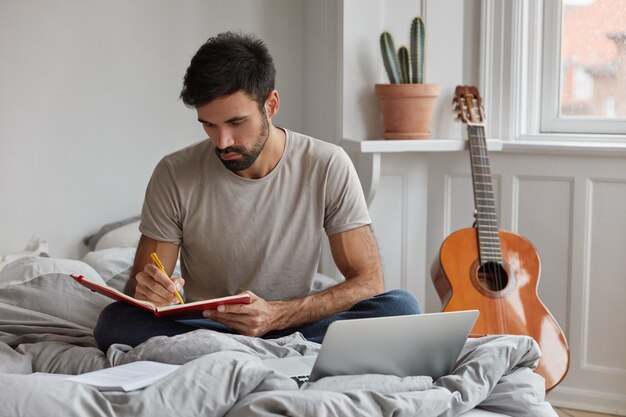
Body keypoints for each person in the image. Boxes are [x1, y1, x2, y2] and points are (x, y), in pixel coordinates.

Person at [94, 32, 420, 352]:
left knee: (402, 307)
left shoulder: (327, 164)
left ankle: (227, 353)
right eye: (209, 125)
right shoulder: (174, 173)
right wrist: (151, 293)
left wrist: (277, 314)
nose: (222, 141)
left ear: (271, 104)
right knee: (115, 322)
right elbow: (141, 289)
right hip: (207, 325)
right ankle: (246, 351)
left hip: (294, 322)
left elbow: (368, 282)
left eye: (236, 122)